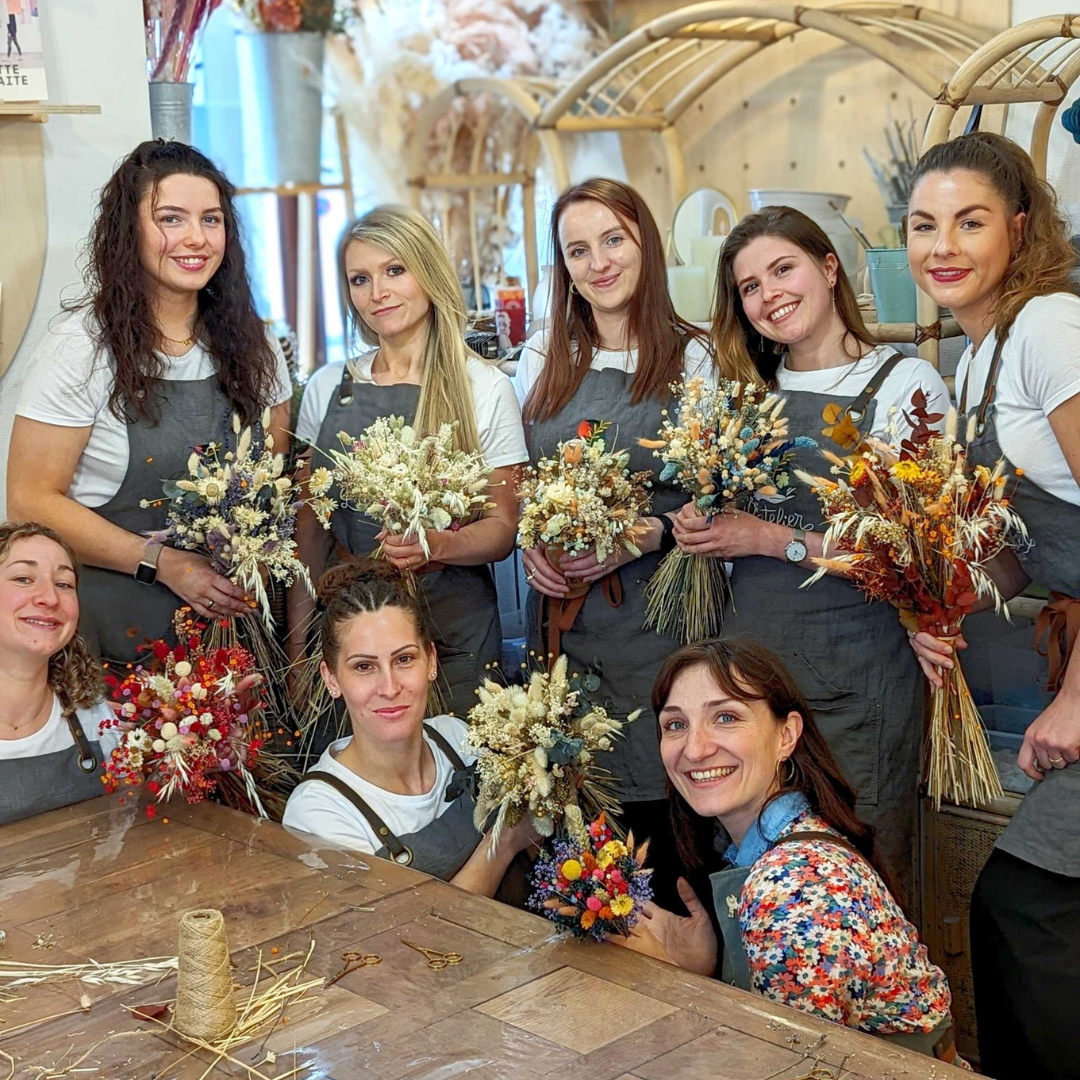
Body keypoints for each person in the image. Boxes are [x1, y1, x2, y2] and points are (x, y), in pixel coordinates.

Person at [673, 207, 951, 894]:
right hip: (753, 688)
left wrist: (769, 539)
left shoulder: (905, 387)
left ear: (829, 268)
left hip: (857, 680)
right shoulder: (744, 396)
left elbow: (916, 562)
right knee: (755, 879)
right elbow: (724, 529)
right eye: (749, 287)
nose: (769, 295)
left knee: (856, 876)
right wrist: (697, 526)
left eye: (782, 269)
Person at [904, 132, 1080, 1080]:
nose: (945, 245)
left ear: (1020, 228)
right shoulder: (978, 361)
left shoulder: (1051, 329)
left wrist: (1078, 699)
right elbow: (1026, 548)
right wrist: (945, 598)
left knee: (1027, 908)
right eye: (925, 224)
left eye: (970, 221)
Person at [8, 140, 293, 665]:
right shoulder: (81, 349)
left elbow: (272, 484)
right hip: (116, 638)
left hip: (237, 640)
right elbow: (30, 500)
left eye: (211, 220)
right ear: (128, 231)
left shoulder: (255, 344)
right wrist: (163, 563)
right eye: (171, 218)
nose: (195, 238)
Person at [616, 637, 964, 1065]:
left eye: (725, 717)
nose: (695, 748)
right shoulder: (779, 839)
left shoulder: (797, 882)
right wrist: (706, 970)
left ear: (786, 735)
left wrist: (667, 985)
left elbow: (789, 1067)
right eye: (675, 724)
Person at [513, 178, 714, 906]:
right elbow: (519, 484)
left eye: (613, 240)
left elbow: (714, 502)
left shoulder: (696, 360)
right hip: (565, 633)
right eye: (577, 249)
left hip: (660, 629)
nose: (598, 263)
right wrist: (529, 542)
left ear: (645, 245)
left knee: (663, 830)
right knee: (578, 825)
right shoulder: (542, 356)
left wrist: (645, 535)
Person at [292, 205, 527, 720]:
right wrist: (297, 656)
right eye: (360, 279)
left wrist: (439, 545)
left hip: (455, 631)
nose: (378, 293)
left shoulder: (483, 387)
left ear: (428, 271)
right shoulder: (329, 387)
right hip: (354, 643)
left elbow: (504, 527)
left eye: (395, 270)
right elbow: (308, 533)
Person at [283, 560, 536, 897]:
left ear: (431, 661)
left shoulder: (460, 740)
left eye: (404, 659)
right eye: (363, 667)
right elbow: (403, 940)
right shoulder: (319, 812)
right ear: (331, 678)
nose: (389, 687)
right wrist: (503, 844)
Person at [0, 521, 119, 825]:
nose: (50, 599)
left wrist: (195, 753)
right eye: (23, 578)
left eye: (64, 584)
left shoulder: (93, 714)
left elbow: (127, 825)